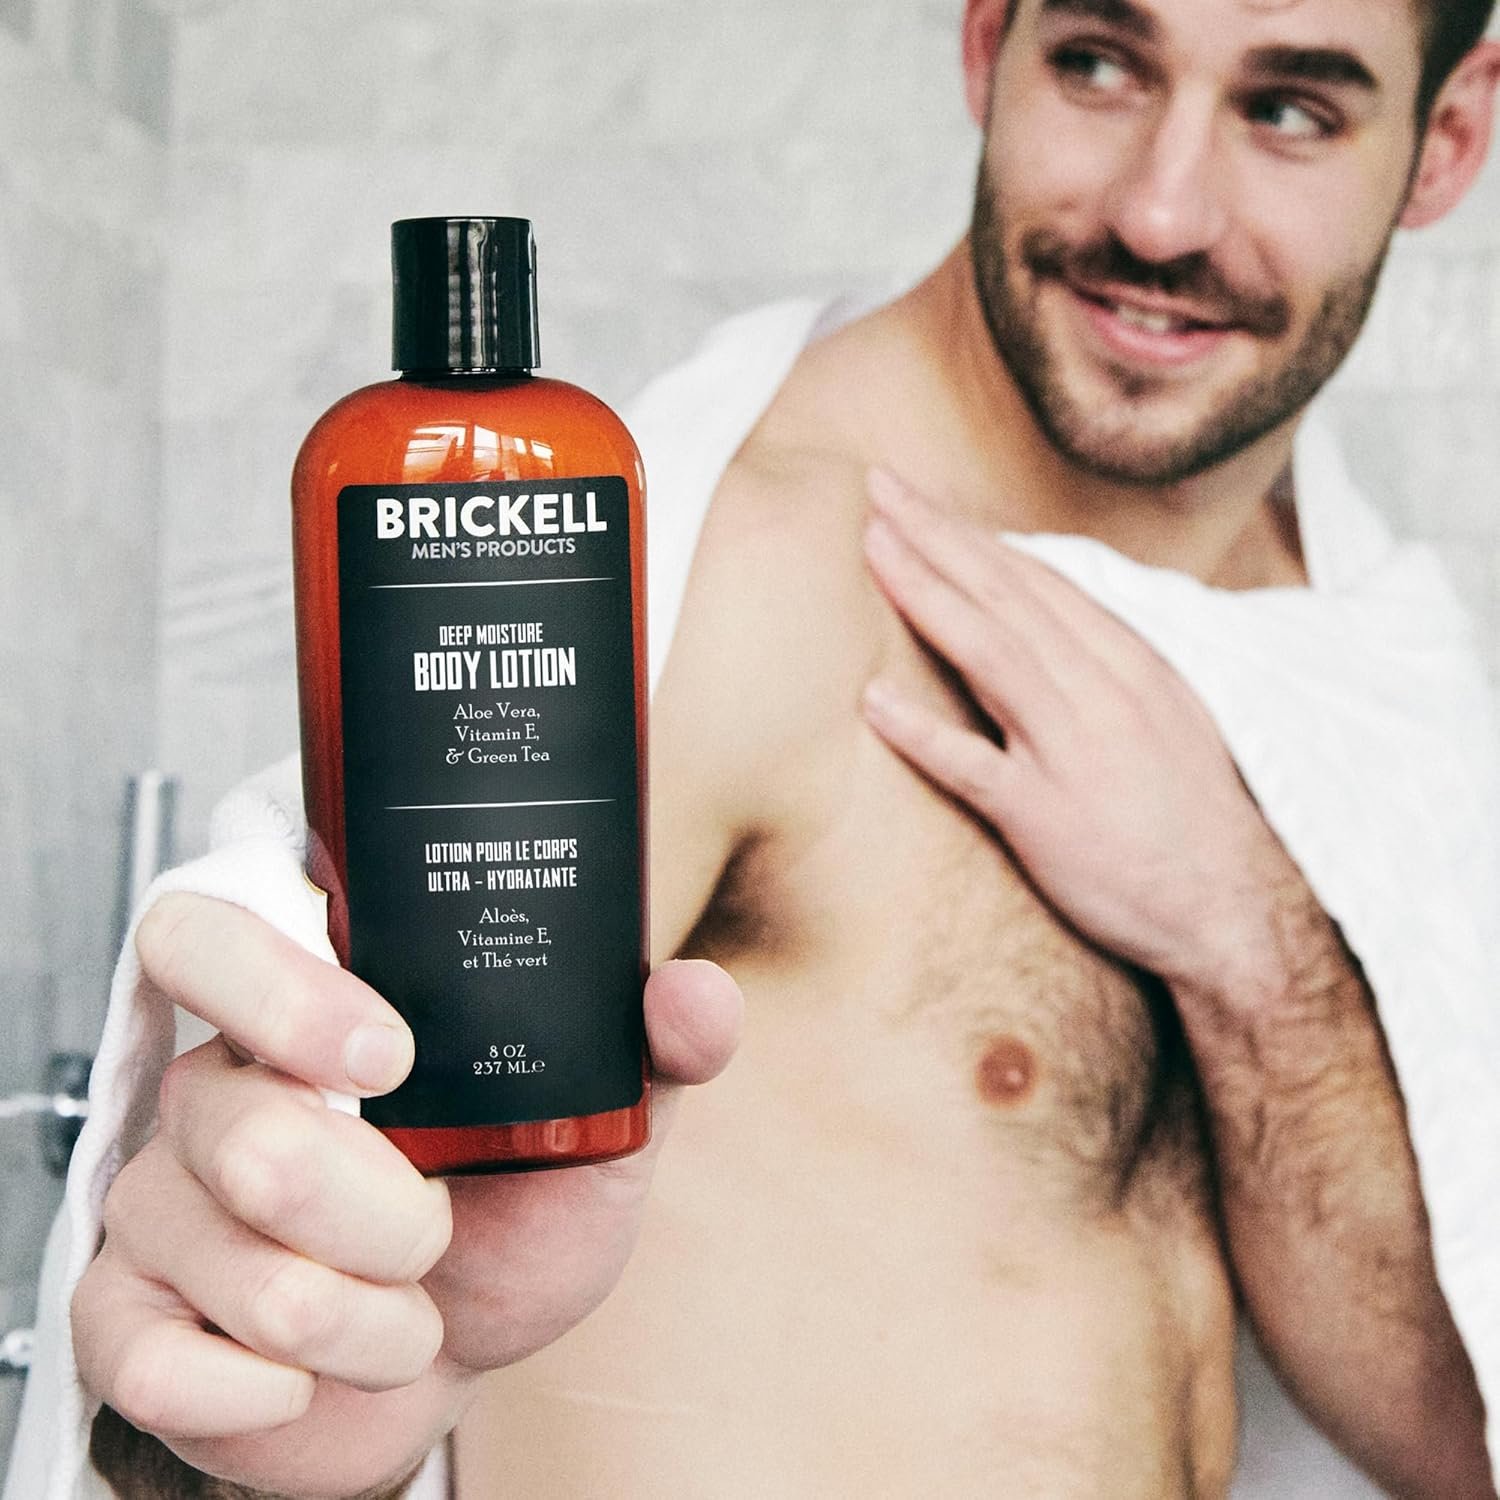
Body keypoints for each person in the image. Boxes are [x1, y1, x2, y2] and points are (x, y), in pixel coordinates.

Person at [37, 0, 1500, 1495]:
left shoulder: (1367, 653)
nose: (1163, 213)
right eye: (1098, 63)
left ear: (1447, 139)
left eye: (1291, 108)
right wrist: (260, 1439)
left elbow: (1460, 1426)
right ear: (988, 46)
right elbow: (267, 1317)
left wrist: (1251, 943)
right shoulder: (717, 572)